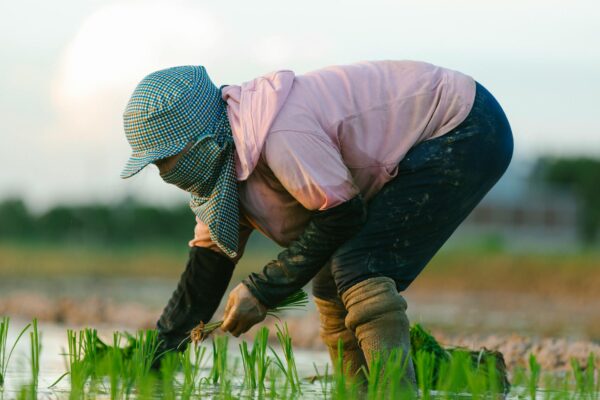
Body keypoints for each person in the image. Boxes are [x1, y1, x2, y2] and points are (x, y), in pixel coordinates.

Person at [120, 60, 513, 386]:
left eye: (161, 159)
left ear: (197, 140)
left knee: (360, 266)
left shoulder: (279, 132)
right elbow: (206, 271)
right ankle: (465, 378)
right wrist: (156, 360)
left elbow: (341, 216)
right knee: (329, 284)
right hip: (433, 139)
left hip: (463, 125)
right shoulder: (223, 176)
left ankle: (395, 391)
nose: (161, 172)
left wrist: (263, 290)